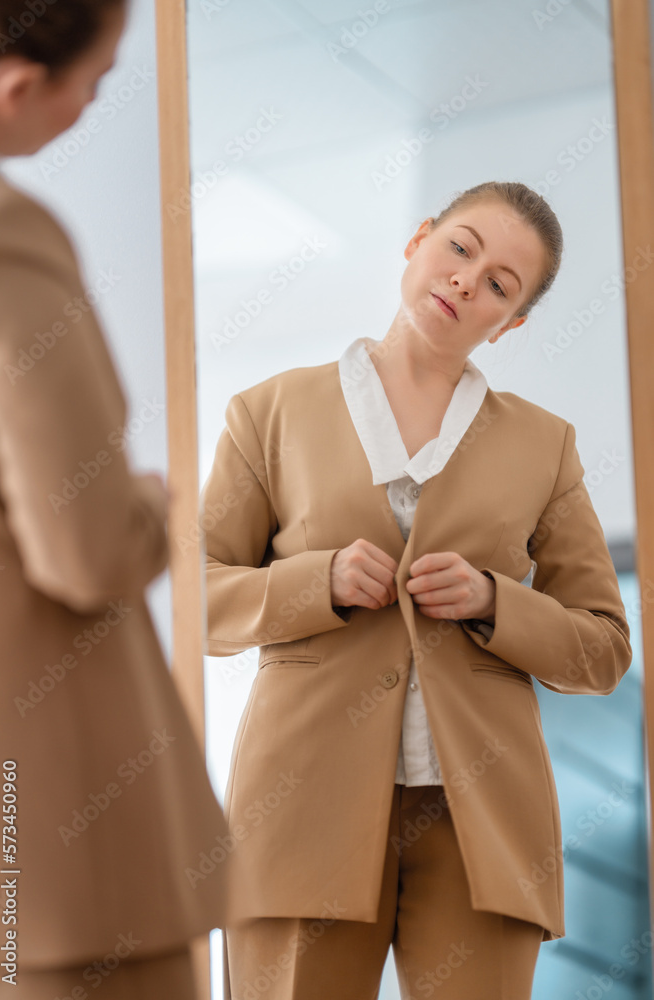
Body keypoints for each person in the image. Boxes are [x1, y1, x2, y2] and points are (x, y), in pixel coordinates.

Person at [200, 180, 632, 1000]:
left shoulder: (546, 447)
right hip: (299, 806)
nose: (469, 280)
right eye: (460, 248)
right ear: (418, 242)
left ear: (511, 325)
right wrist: (313, 582)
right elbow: (194, 595)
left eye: (501, 285)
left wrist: (494, 602)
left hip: (484, 829)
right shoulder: (268, 413)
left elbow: (603, 649)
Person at [0, 2, 228, 997]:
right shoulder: (6, 238)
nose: (92, 104)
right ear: (15, 88)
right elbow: (83, 547)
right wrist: (146, 501)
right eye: (97, 79)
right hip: (56, 840)